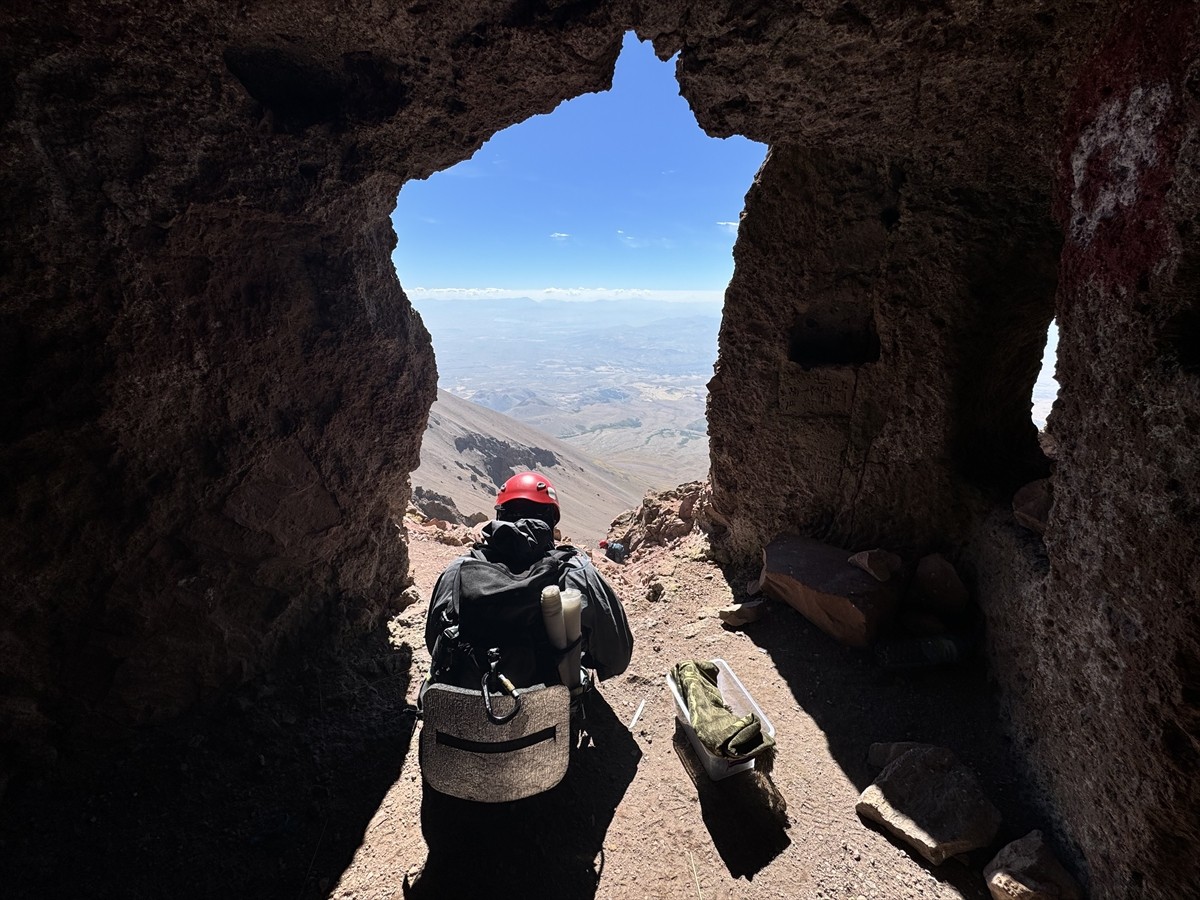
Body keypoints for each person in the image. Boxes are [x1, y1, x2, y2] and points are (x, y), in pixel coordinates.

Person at [424, 471, 633, 689]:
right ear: (552, 520)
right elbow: (617, 657)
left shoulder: (459, 570)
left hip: (468, 700)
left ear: (500, 516)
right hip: (549, 708)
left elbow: (434, 643)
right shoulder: (576, 572)